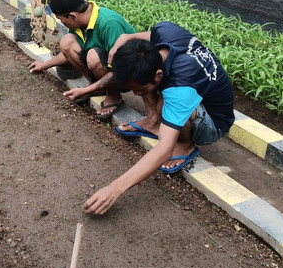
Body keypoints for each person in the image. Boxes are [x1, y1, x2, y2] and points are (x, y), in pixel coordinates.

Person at [83, 21, 235, 215]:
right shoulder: (167, 32)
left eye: (139, 89)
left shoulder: (180, 87)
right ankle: (155, 123)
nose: (136, 94)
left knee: (170, 106)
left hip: (214, 122)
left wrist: (114, 188)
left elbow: (164, 149)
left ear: (158, 74)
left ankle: (186, 144)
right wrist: (128, 37)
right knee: (166, 101)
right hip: (194, 92)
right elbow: (150, 36)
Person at [28, 0, 136, 120]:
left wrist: (85, 91)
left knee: (93, 56)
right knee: (67, 42)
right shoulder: (80, 23)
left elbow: (121, 69)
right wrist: (44, 65)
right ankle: (96, 87)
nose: (62, 23)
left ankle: (114, 95)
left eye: (62, 20)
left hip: (129, 74)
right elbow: (67, 52)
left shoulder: (109, 23)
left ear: (72, 16)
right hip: (107, 69)